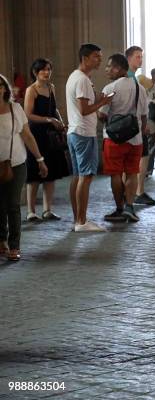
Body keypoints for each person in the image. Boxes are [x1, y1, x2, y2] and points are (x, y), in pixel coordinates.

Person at [0, 73, 48, 261]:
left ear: (5, 88)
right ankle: (1, 240)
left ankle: (14, 245)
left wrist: (40, 159)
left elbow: (27, 136)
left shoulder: (15, 109)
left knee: (12, 204)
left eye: (0, 85)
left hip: (16, 163)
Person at [65, 43, 113, 232]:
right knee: (86, 176)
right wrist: (103, 101)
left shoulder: (75, 77)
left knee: (78, 176)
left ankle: (78, 219)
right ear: (84, 58)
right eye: (96, 56)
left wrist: (97, 98)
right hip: (83, 133)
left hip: (75, 131)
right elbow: (84, 110)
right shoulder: (82, 79)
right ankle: (82, 221)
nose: (100, 60)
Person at [98, 54, 147, 223]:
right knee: (132, 172)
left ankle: (119, 209)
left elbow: (102, 115)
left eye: (109, 66)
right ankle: (130, 207)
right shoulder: (140, 88)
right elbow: (144, 116)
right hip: (136, 138)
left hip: (114, 138)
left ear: (118, 68)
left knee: (116, 174)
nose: (106, 69)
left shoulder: (109, 88)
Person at [23, 58, 71, 221]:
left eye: (49, 69)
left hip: (51, 135)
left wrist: (61, 122)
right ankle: (30, 211)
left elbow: (54, 108)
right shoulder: (32, 90)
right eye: (43, 69)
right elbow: (28, 115)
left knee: (51, 173)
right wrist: (49, 120)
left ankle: (47, 210)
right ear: (35, 72)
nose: (46, 72)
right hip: (36, 134)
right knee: (34, 174)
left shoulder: (51, 88)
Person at [125, 46, 155, 206]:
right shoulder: (129, 78)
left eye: (141, 56)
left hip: (135, 124)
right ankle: (136, 192)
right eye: (137, 56)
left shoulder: (134, 78)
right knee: (138, 159)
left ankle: (136, 191)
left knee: (139, 159)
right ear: (129, 58)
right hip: (133, 125)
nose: (140, 59)